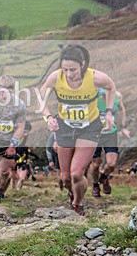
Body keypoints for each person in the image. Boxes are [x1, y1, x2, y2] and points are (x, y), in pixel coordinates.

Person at [38, 45, 116, 215]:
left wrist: (109, 112)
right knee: (65, 178)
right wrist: (48, 117)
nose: (68, 74)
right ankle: (72, 192)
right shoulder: (55, 77)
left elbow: (111, 87)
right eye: (64, 69)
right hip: (64, 128)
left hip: (89, 129)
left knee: (76, 174)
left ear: (82, 64)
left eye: (72, 69)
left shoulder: (95, 77)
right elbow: (41, 96)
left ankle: (78, 204)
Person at [88, 89, 131, 197]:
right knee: (96, 164)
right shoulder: (93, 96)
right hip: (94, 134)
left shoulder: (118, 96)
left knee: (111, 164)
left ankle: (103, 177)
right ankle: (95, 185)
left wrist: (123, 127)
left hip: (110, 133)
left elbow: (122, 110)